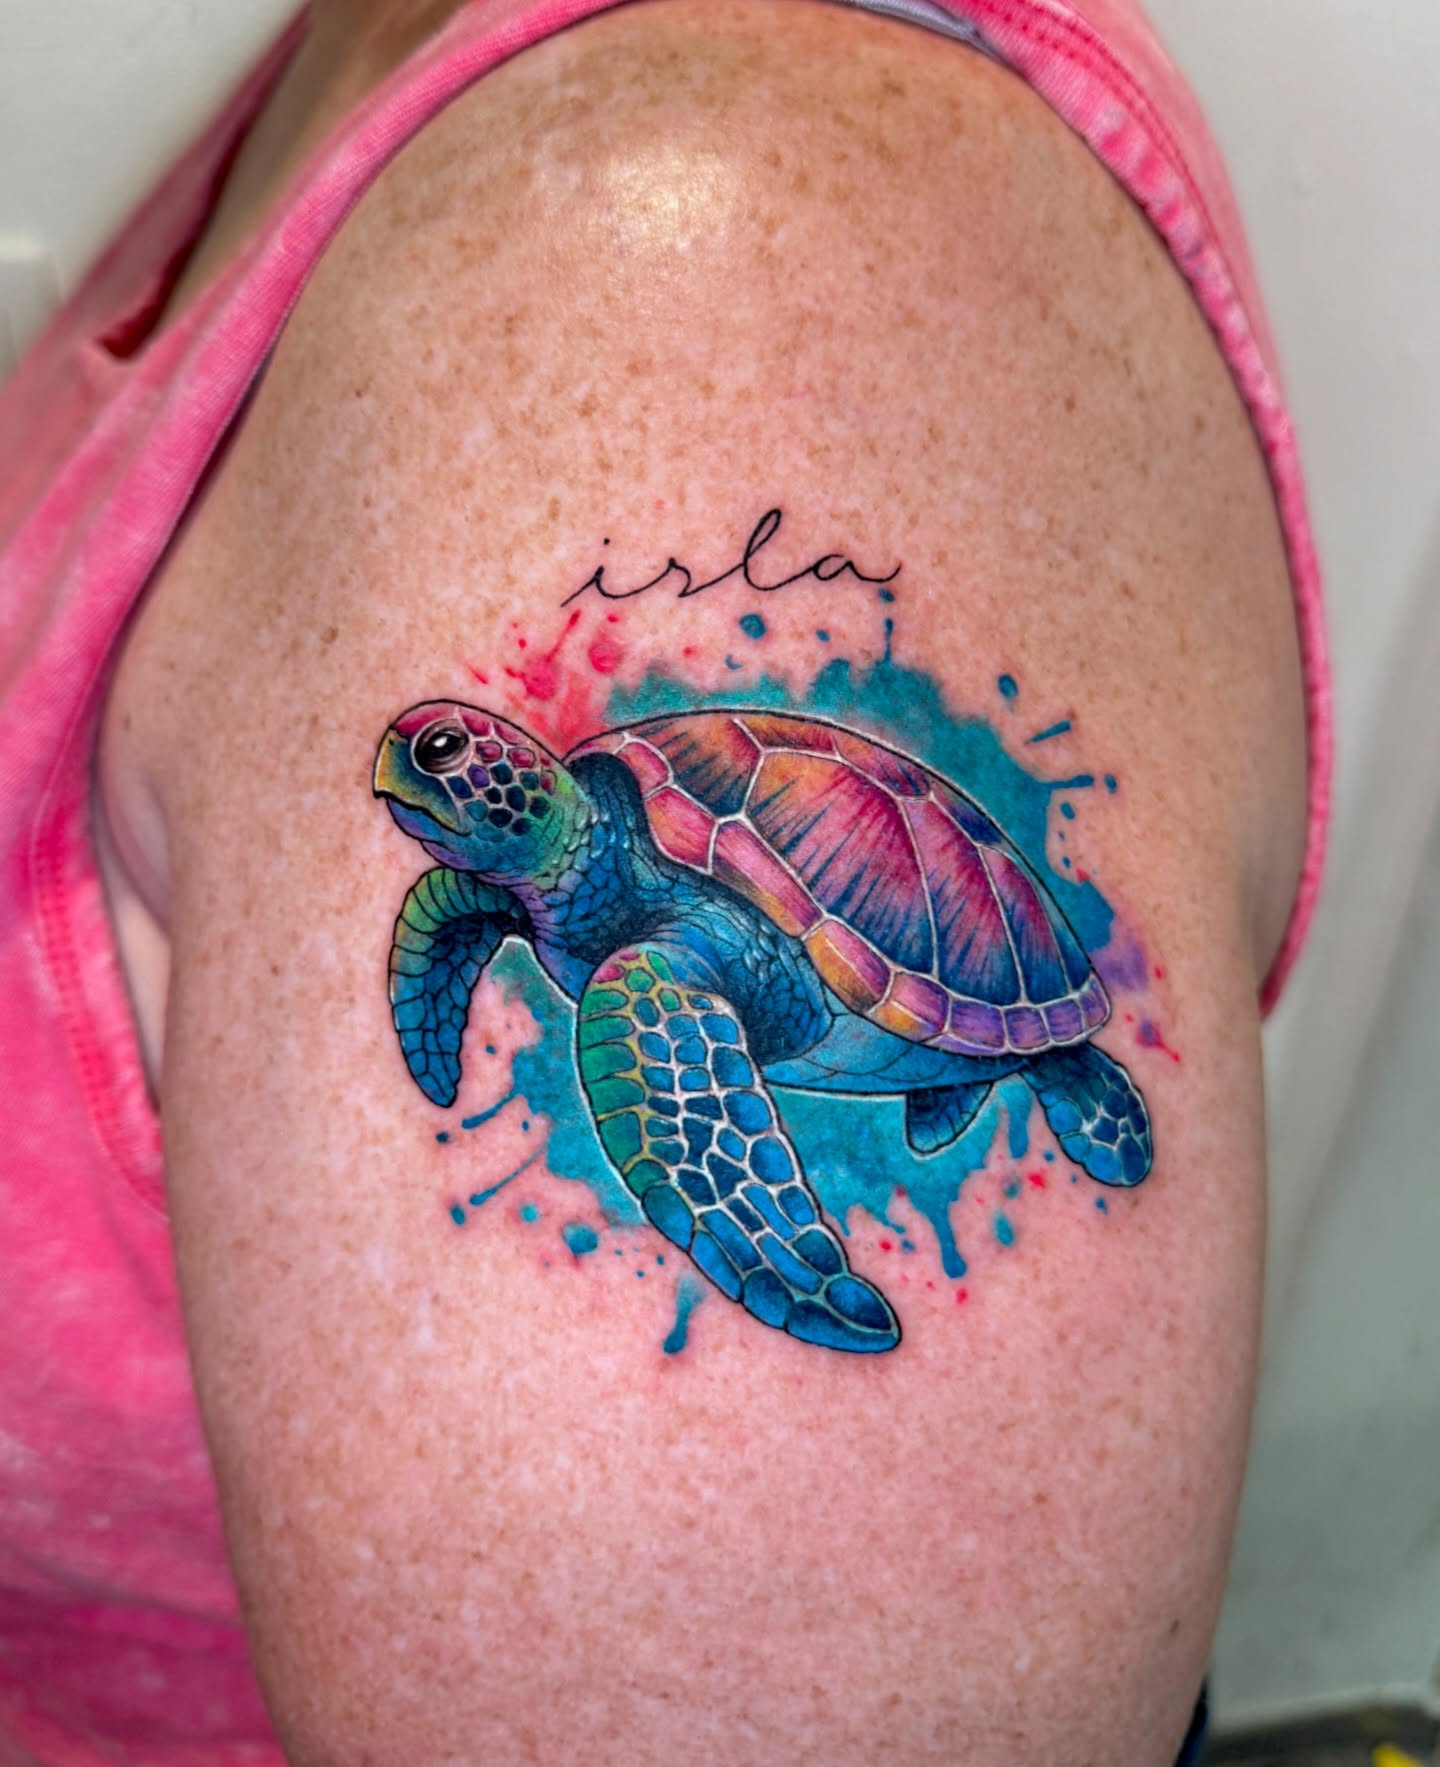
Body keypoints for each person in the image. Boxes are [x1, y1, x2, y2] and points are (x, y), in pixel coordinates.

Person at [0, 0, 1328, 1760]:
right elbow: (449, 921)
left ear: (526, 790)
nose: (425, 786)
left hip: (913, 962)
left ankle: (1044, 1067)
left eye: (456, 765)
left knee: (677, 1039)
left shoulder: (681, 273)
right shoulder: (417, 65)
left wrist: (784, 1259)